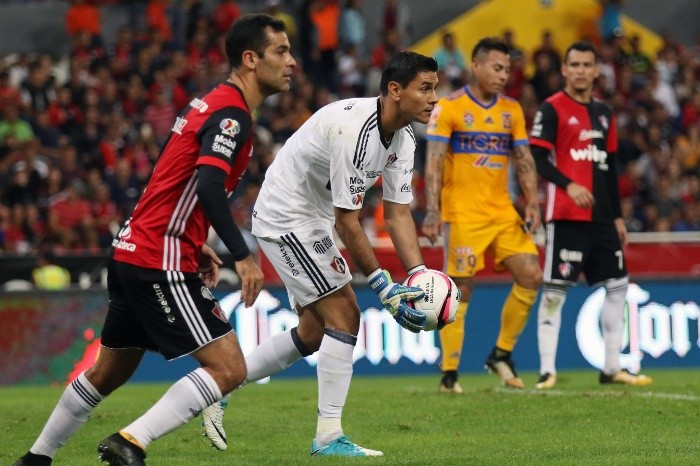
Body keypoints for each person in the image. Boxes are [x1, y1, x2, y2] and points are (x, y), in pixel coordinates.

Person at [14, 13, 295, 466]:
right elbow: (207, 186)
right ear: (250, 58)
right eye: (280, 51)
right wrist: (242, 255)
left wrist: (194, 238)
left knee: (109, 371)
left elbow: (171, 179)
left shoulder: (209, 103)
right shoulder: (231, 115)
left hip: (135, 247)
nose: (291, 61)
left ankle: (35, 459)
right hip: (158, 257)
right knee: (229, 368)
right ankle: (130, 441)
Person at [200, 50, 439, 457]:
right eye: (426, 88)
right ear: (395, 90)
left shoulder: (403, 138)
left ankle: (219, 386)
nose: (434, 98)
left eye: (435, 88)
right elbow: (348, 222)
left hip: (313, 217)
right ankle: (328, 436)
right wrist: (384, 287)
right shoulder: (355, 130)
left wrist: (418, 277)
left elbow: (398, 213)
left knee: (313, 333)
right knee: (345, 314)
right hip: (287, 214)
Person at [529, 41, 653, 390]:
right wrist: (568, 185)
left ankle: (612, 367)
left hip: (602, 218)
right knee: (555, 291)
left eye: (587, 65)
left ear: (596, 71)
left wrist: (617, 217)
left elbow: (608, 169)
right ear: (564, 70)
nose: (581, 71)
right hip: (566, 215)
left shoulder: (604, 113)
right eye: (575, 65)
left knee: (618, 286)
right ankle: (547, 371)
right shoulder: (551, 109)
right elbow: (537, 158)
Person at [422, 37, 543, 393]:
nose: (504, 75)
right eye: (497, 67)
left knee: (531, 275)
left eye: (507, 69)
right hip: (463, 214)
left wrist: (532, 202)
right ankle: (449, 374)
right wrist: (432, 209)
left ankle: (501, 354)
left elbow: (523, 159)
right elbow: (433, 162)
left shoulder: (512, 110)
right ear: (476, 65)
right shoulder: (449, 107)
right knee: (461, 291)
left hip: (502, 211)